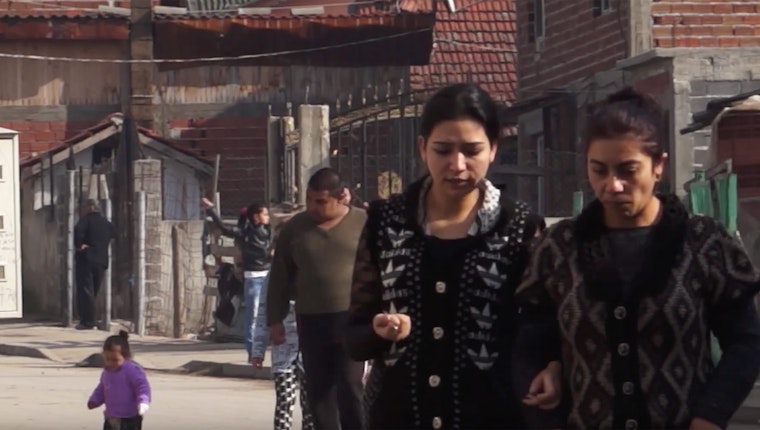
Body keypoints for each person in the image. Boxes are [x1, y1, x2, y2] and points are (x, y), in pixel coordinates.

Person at [515, 87, 760, 429]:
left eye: (627, 170)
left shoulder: (703, 243)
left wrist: (710, 415)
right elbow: (531, 341)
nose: (612, 185)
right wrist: (546, 370)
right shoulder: (559, 248)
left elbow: (745, 342)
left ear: (659, 165)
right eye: (599, 170)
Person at [343, 83, 560, 429]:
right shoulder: (386, 221)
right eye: (442, 150)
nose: (457, 165)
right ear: (422, 148)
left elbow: (539, 325)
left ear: (493, 149)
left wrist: (551, 366)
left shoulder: (520, 228)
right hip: (399, 415)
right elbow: (355, 336)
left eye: (472, 151)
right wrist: (378, 330)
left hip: (490, 416)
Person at [267, 167, 367, 430]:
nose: (313, 206)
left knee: (349, 384)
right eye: (310, 199)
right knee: (319, 388)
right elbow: (279, 275)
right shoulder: (295, 229)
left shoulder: (364, 223)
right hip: (311, 319)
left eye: (320, 201)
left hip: (352, 317)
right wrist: (274, 319)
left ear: (341, 197)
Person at [252, 221, 315, 430]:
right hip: (283, 351)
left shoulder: (314, 271)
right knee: (285, 401)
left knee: (311, 406)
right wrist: (258, 348)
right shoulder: (275, 276)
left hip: (312, 351)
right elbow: (263, 312)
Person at [202, 198, 273, 362]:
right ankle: (253, 353)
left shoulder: (269, 232)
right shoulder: (245, 233)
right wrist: (211, 210)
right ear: (256, 217)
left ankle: (263, 349)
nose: (268, 217)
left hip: (268, 276)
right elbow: (224, 228)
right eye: (264, 214)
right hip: (254, 278)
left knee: (269, 315)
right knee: (253, 317)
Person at [88, 330, 152, 430]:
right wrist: (95, 400)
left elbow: (142, 386)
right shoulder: (107, 372)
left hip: (130, 417)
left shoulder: (132, 370)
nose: (110, 363)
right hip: (111, 417)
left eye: (115, 360)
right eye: (107, 359)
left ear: (126, 356)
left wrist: (143, 401)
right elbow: (102, 388)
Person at [74, 198, 116, 330]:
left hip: (86, 259)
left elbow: (78, 235)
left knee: (85, 290)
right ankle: (90, 319)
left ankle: (88, 321)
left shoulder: (85, 221)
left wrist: (80, 246)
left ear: (90, 207)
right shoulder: (106, 223)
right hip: (101, 261)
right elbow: (114, 234)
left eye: (84, 206)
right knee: (94, 291)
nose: (82, 209)